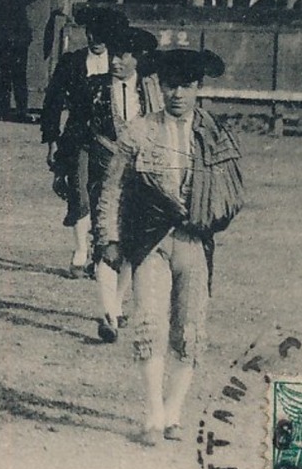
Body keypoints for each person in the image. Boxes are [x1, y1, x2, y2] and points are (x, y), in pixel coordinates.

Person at [94, 48, 244, 447]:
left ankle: (174, 411)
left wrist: (209, 215)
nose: (178, 93)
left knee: (190, 329)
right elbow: (113, 189)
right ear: (159, 87)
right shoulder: (139, 131)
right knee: (150, 324)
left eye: (187, 86)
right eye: (170, 85)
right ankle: (153, 414)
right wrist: (108, 238)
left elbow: (229, 190)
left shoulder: (213, 134)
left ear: (198, 89)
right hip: (151, 242)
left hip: (194, 242)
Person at [73, 24, 162, 342]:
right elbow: (77, 129)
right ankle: (107, 313)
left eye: (123, 56)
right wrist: (67, 166)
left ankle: (117, 304)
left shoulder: (151, 91)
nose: (115, 62)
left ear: (137, 58)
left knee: (132, 243)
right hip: (102, 168)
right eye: (112, 55)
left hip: (141, 175)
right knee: (105, 239)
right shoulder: (93, 87)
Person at [41, 4, 129, 275]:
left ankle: (101, 253)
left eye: (103, 34)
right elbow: (53, 102)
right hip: (78, 137)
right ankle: (80, 251)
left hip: (113, 140)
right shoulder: (71, 62)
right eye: (92, 33)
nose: (97, 39)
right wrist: (52, 140)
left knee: (106, 194)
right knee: (79, 191)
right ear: (86, 33)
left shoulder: (120, 62)